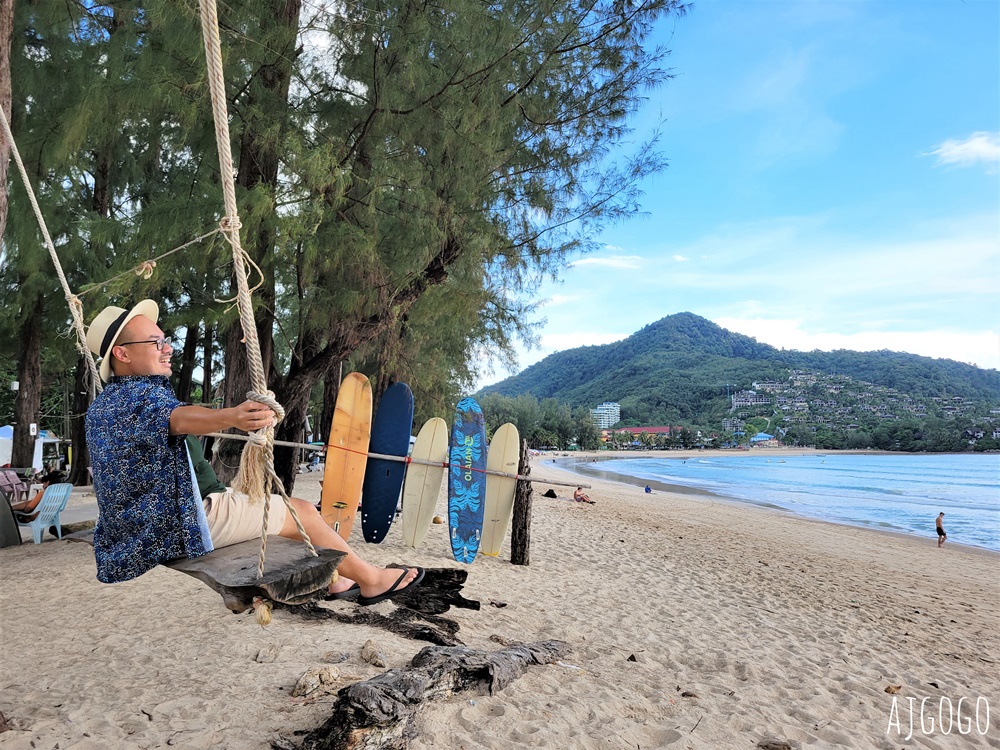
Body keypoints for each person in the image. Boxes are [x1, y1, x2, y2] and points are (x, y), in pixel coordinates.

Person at [84, 300, 423, 606]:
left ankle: (339, 579)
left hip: (137, 531)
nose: (167, 348)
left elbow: (170, 423)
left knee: (279, 509)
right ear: (123, 354)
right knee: (301, 512)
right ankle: (372, 581)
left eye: (165, 340)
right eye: (156, 343)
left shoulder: (105, 405)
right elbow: (178, 418)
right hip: (178, 527)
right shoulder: (138, 398)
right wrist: (231, 416)